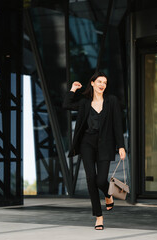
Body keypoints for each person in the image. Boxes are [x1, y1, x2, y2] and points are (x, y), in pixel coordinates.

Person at [63, 72, 126, 230]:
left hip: (105, 144)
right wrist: (72, 90)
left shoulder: (111, 101)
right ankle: (99, 216)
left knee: (100, 180)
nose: (102, 85)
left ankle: (108, 194)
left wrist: (121, 146)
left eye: (104, 82)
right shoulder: (84, 103)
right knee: (91, 179)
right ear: (92, 83)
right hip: (87, 144)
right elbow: (66, 105)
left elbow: (117, 124)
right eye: (99, 81)